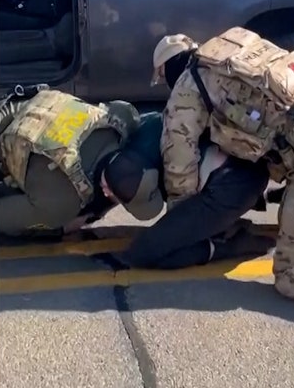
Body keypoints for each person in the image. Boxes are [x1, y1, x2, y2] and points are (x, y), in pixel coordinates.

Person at [155, 28, 294, 318]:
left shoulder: (188, 88)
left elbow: (178, 165)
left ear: (166, 69)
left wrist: (183, 224)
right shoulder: (233, 52)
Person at [105, 107, 277, 270]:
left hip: (233, 185)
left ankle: (229, 244)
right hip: (234, 169)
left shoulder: (165, 155)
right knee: (170, 234)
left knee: (144, 253)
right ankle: (219, 228)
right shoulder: (144, 130)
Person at [0, 88, 147, 237]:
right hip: (5, 144)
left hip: (18, 107)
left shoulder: (121, 120)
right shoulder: (63, 205)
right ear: (107, 192)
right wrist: (60, 229)